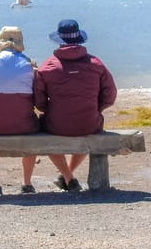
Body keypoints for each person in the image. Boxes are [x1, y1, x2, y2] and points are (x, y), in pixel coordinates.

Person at [34, 18, 117, 191]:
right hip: (89, 122)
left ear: (59, 41)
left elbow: (39, 102)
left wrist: (53, 110)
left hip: (56, 125)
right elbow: (110, 96)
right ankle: (67, 176)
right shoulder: (96, 64)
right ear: (79, 38)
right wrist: (95, 108)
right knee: (86, 130)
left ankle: (68, 177)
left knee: (44, 130)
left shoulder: (46, 67)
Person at [0, 26, 40, 195]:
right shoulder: (30, 64)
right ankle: (27, 183)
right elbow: (38, 101)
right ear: (20, 42)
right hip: (25, 126)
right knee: (33, 132)